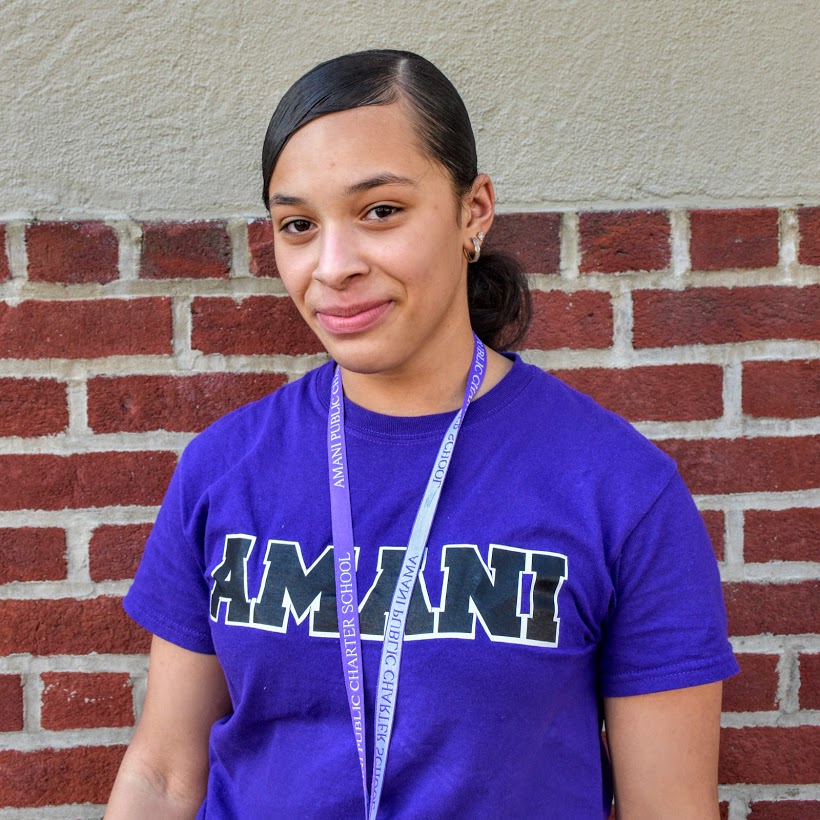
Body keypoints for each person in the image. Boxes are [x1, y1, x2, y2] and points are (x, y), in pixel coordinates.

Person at [106, 49, 738, 819]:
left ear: (473, 212)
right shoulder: (224, 468)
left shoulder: (619, 489)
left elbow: (668, 808)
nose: (334, 266)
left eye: (380, 211)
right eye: (299, 225)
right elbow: (164, 774)